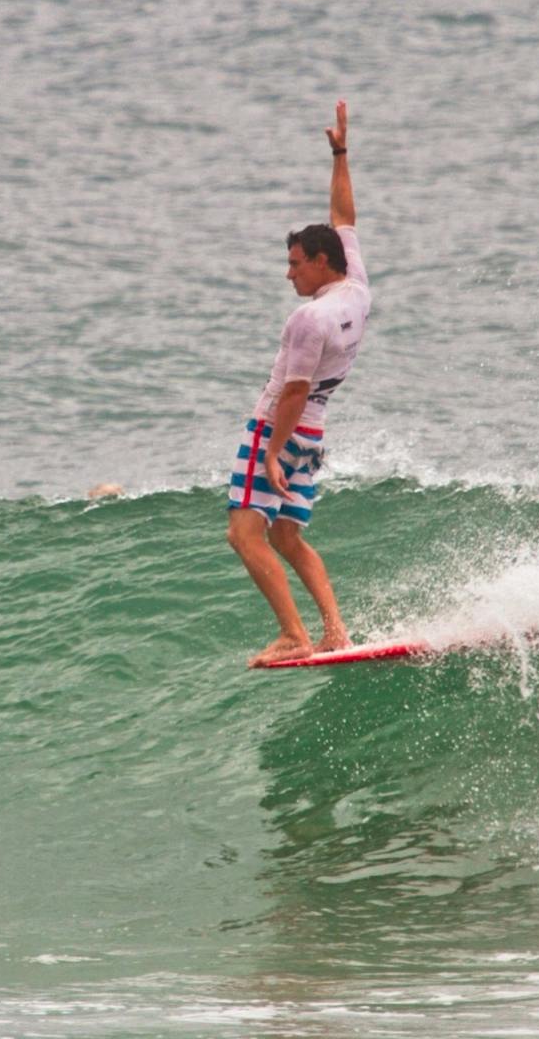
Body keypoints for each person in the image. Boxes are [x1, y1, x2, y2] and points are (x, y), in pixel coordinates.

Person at [227, 100, 370, 667]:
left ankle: (293, 635)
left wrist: (272, 453)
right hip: (315, 434)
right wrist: (340, 153)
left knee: (244, 534)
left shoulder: (308, 320)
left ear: (319, 262)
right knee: (287, 537)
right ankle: (335, 630)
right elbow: (344, 217)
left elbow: (291, 392)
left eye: (294, 263)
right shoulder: (356, 289)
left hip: (281, 430)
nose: (289, 273)